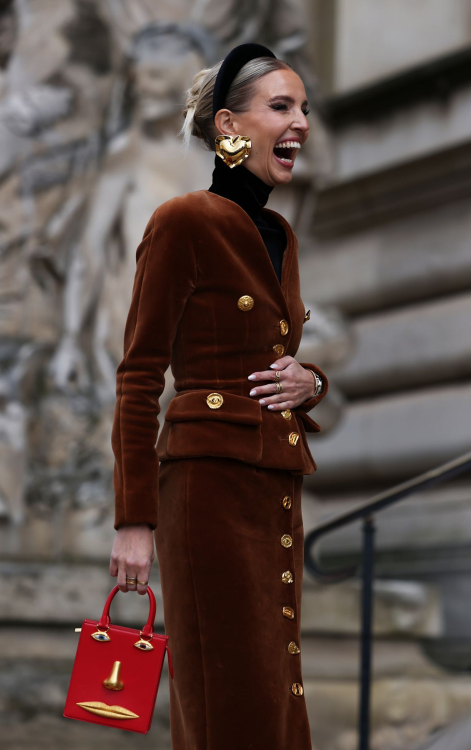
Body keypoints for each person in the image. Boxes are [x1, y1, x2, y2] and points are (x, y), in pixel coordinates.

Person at [109, 42, 328, 750]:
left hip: (276, 488)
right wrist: (133, 520)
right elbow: (140, 374)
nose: (301, 122)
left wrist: (311, 380)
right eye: (281, 107)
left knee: (277, 693)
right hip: (207, 491)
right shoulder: (183, 221)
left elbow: (275, 359)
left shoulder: (282, 236)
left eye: (303, 107)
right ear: (230, 127)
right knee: (233, 699)